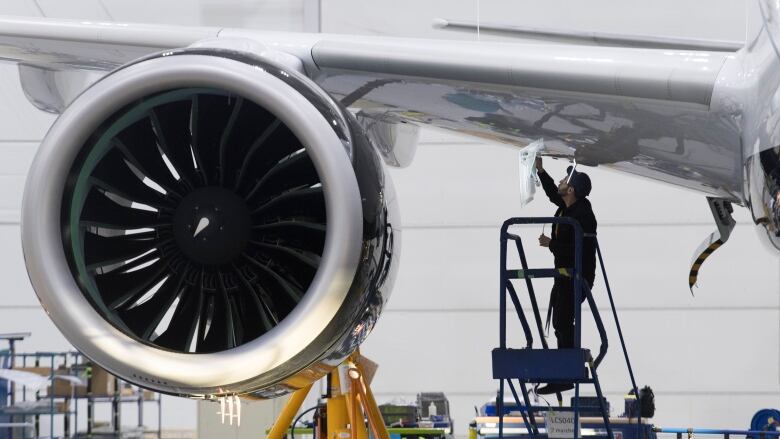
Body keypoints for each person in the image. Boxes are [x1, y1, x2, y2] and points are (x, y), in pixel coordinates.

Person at [534, 157, 597, 395]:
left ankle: (565, 374)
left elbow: (576, 248)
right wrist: (540, 171)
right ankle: (563, 373)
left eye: (564, 180)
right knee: (561, 321)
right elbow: (553, 193)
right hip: (564, 277)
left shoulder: (583, 215)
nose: (560, 181)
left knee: (562, 321)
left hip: (577, 277)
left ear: (571, 190)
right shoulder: (565, 208)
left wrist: (552, 244)